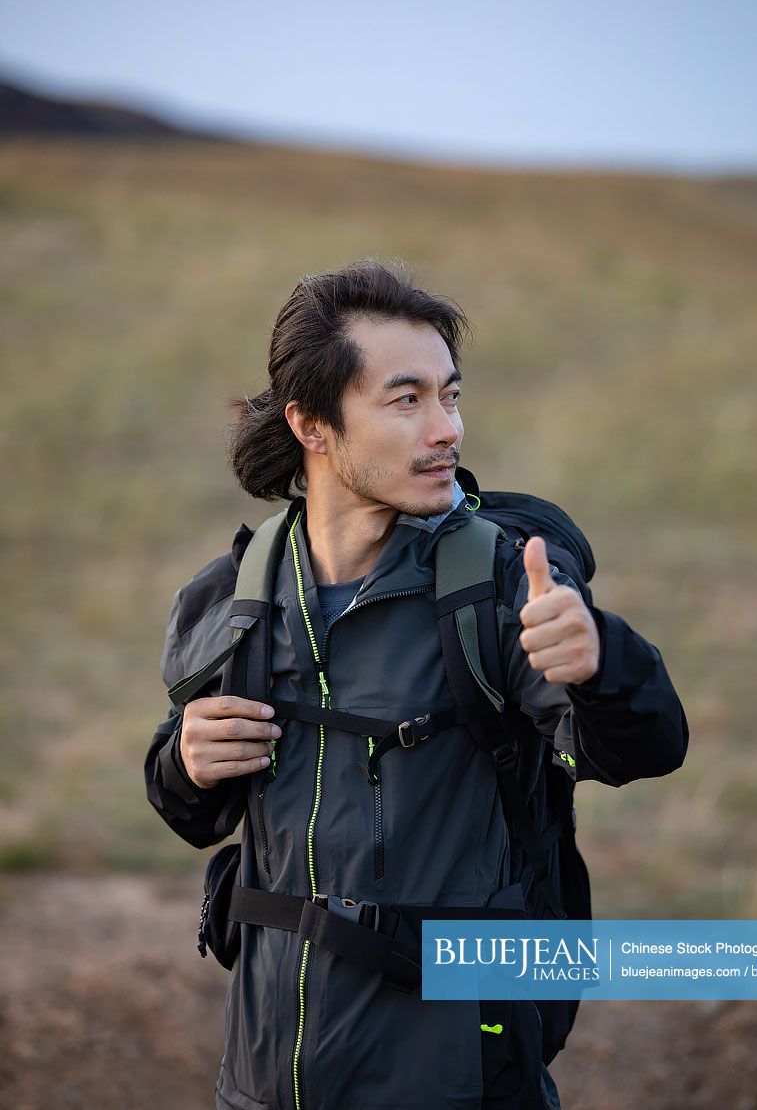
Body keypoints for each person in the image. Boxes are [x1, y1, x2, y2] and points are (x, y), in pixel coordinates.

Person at [145, 258, 688, 1110]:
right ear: (311, 424)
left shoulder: (493, 589)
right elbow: (191, 810)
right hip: (260, 1083)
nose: (446, 429)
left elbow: (647, 748)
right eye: (407, 400)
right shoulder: (235, 594)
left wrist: (598, 662)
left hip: (458, 1081)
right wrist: (184, 762)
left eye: (450, 395)